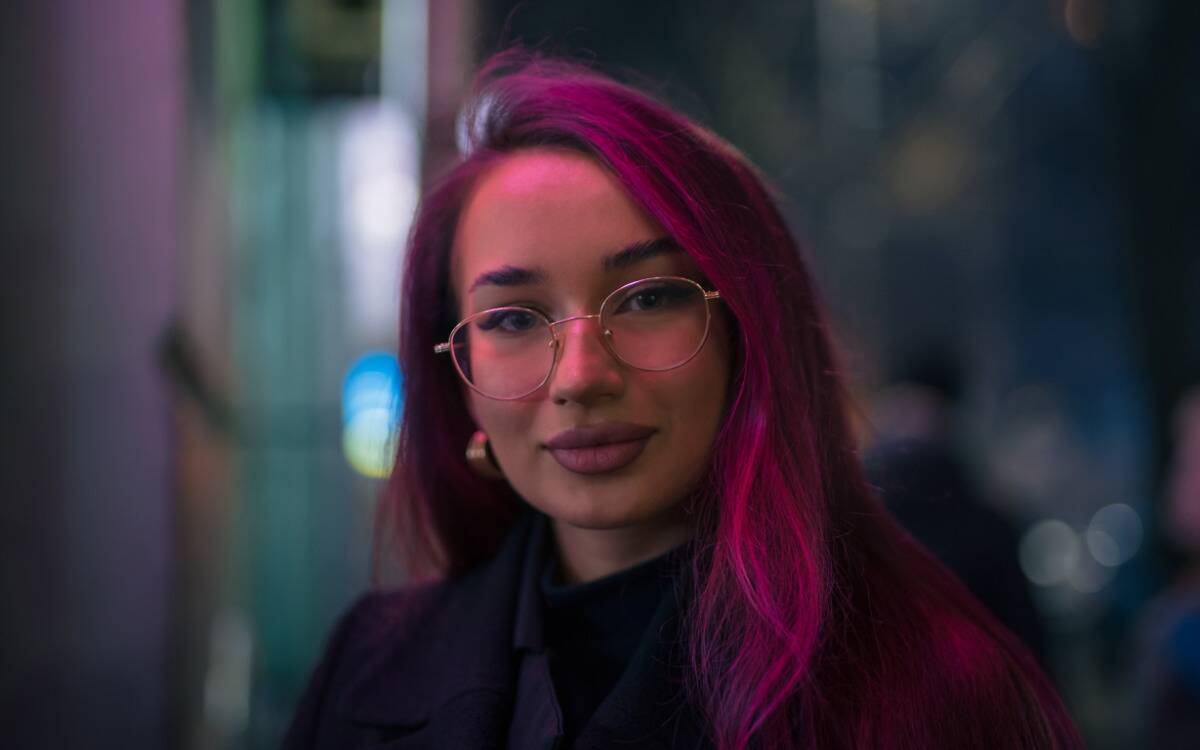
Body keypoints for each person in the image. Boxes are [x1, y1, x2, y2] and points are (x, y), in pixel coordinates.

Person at [283, 51, 1082, 749]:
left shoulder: (939, 689)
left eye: (647, 299)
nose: (580, 376)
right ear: (458, 381)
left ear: (747, 330)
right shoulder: (368, 667)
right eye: (515, 318)